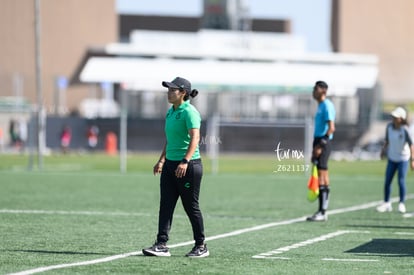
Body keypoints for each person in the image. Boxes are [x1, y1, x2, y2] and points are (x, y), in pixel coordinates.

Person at [142, 77, 209, 258]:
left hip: (189, 166)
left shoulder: (190, 112)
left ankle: (201, 245)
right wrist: (162, 161)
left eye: (173, 90)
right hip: (170, 165)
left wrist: (185, 161)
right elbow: (170, 140)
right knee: (166, 205)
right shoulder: (170, 112)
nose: (169, 92)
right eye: (168, 89)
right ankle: (161, 244)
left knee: (190, 207)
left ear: (183, 93)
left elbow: (195, 138)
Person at [306, 81, 336, 222]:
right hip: (318, 141)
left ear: (323, 90)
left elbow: (331, 128)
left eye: (316, 89)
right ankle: (321, 211)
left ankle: (322, 212)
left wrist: (320, 146)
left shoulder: (327, 105)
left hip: (323, 142)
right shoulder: (320, 106)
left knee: (323, 175)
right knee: (320, 174)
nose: (313, 91)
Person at [377, 107, 414, 213]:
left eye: (396, 117)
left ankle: (401, 203)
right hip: (392, 158)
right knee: (388, 180)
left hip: (403, 158)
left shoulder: (405, 130)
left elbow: (411, 145)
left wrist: (412, 160)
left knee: (401, 181)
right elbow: (387, 141)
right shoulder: (389, 127)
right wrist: (383, 151)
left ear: (401, 118)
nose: (393, 118)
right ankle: (386, 203)